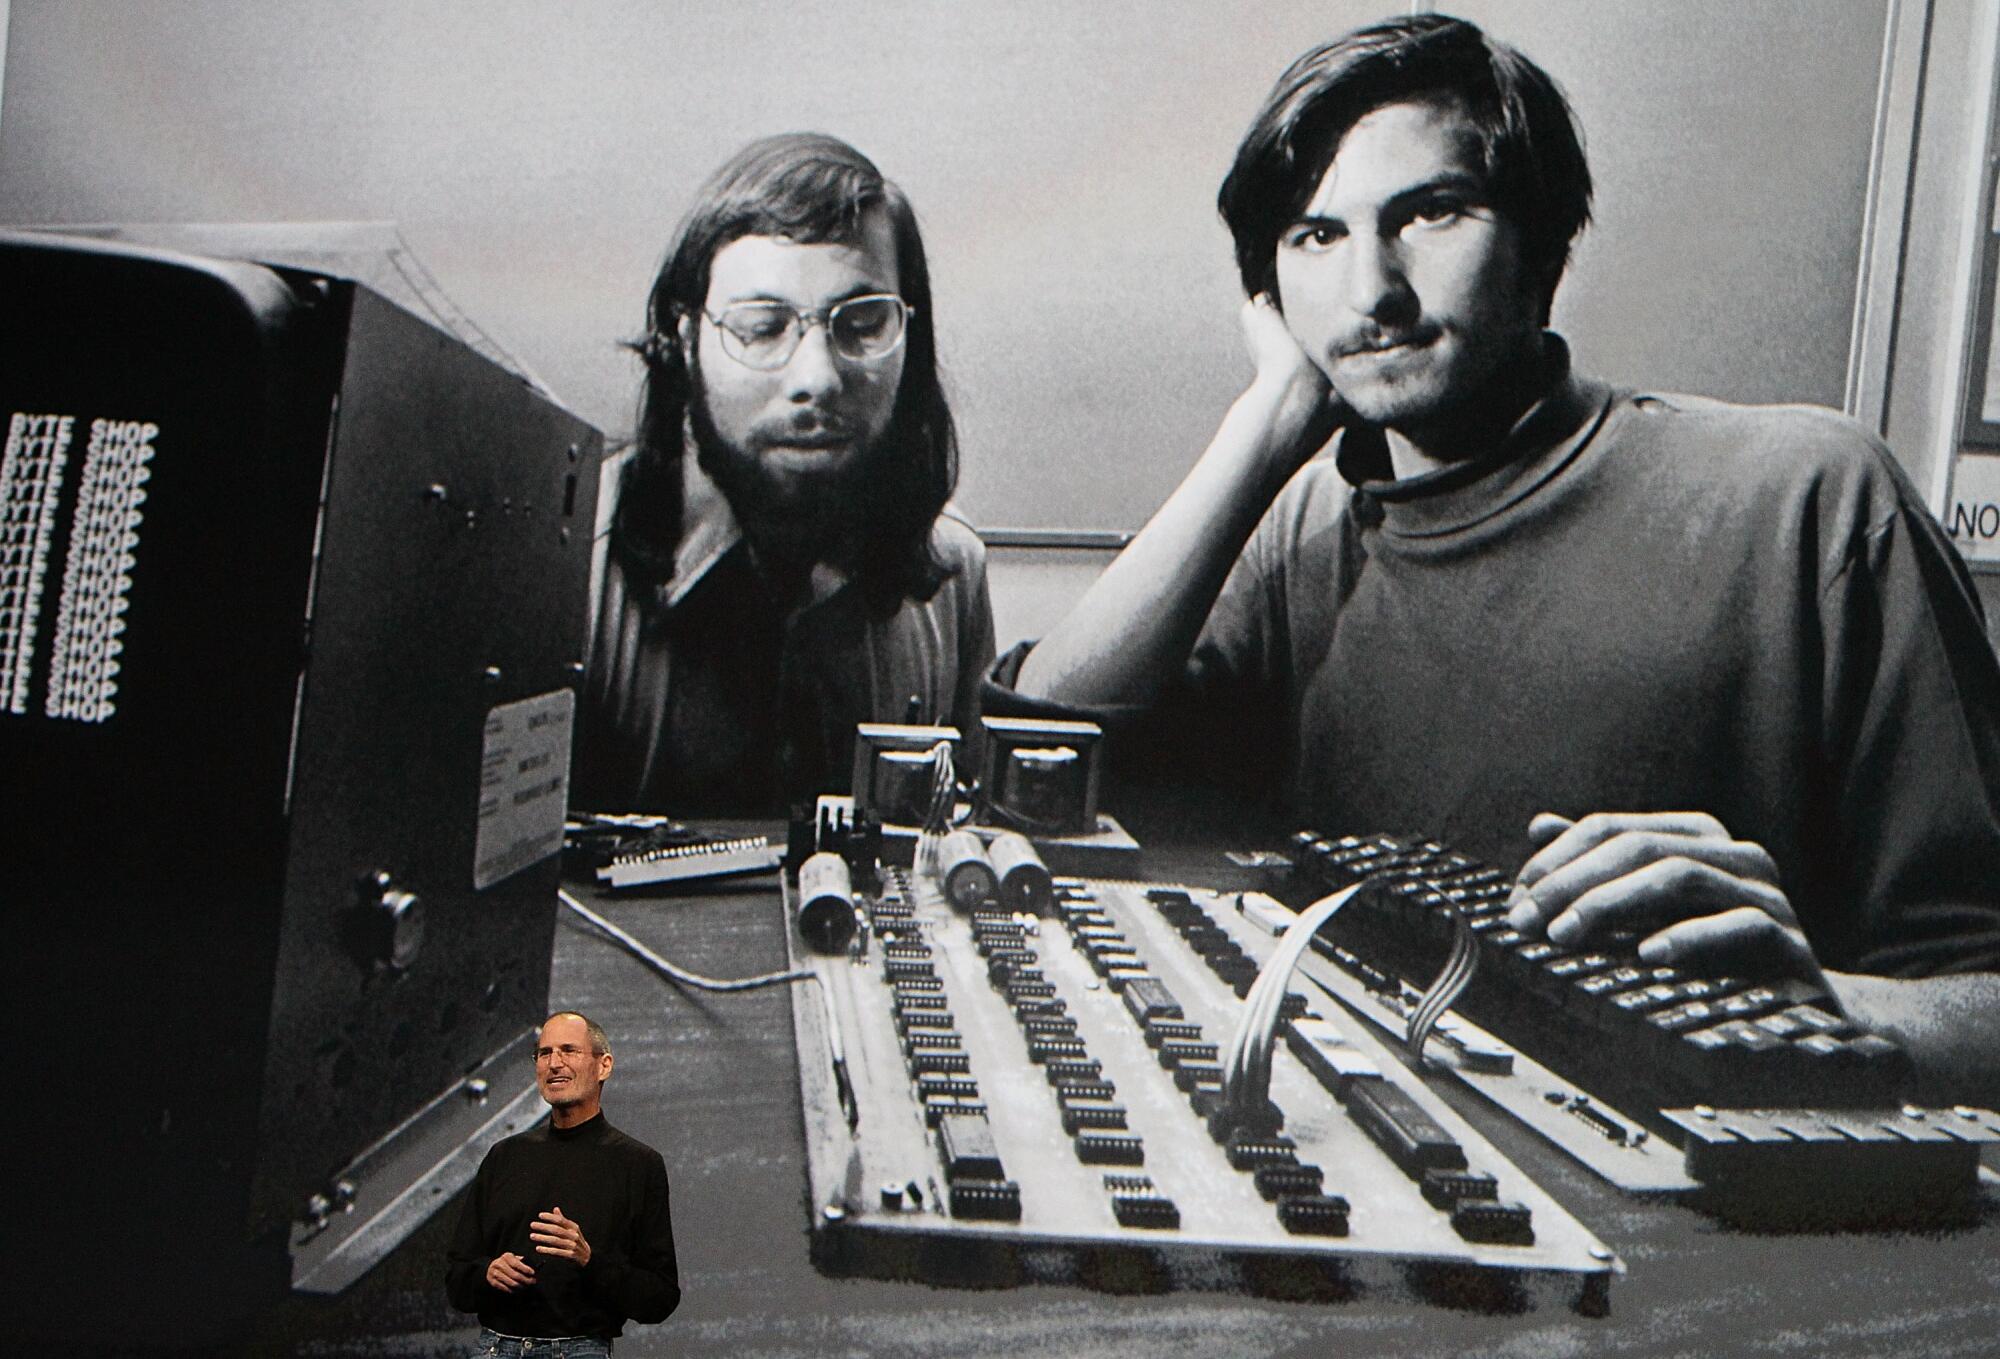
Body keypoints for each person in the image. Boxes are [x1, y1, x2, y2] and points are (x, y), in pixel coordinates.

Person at [1000, 14, 2000, 1100]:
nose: (1371, 291)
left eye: (1430, 212)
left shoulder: (1811, 499)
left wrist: (1814, 1004)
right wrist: (1269, 417)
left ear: (1541, 242)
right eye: (1313, 237)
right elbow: (1036, 762)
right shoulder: (1304, 532)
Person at [573, 132, 995, 815]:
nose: (817, 379)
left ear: (910, 342)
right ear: (684, 344)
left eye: (861, 324)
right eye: (763, 327)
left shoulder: (953, 576)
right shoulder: (567, 571)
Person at [446, 1012, 680, 1352]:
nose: (554, 1063)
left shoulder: (638, 1165)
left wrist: (589, 1260)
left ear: (604, 1066)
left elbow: (659, 1298)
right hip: (497, 1347)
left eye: (569, 1051)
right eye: (544, 1053)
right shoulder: (504, 1157)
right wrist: (487, 1274)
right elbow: (457, 1280)